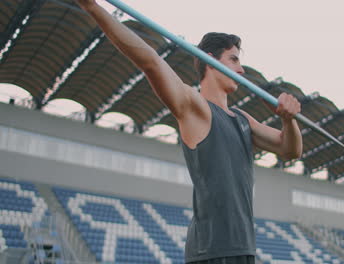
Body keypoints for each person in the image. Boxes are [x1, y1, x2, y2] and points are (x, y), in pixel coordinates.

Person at [76, 1, 303, 263]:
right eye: (234, 59)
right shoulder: (196, 108)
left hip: (243, 249)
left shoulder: (243, 119)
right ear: (210, 62)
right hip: (212, 252)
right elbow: (150, 61)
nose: (241, 70)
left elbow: (291, 150)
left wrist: (289, 120)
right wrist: (93, 7)